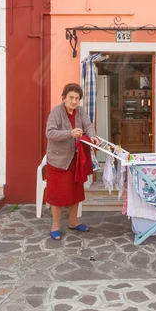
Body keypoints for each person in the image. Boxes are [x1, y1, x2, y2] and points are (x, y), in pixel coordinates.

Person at [45, 83, 100, 240]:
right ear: (64, 98)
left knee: (75, 192)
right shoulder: (56, 112)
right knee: (57, 195)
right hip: (58, 161)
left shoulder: (80, 111)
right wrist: (70, 133)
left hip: (75, 160)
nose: (74, 101)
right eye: (71, 98)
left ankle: (73, 222)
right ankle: (55, 226)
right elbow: (50, 133)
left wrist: (93, 135)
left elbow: (88, 125)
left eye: (77, 98)